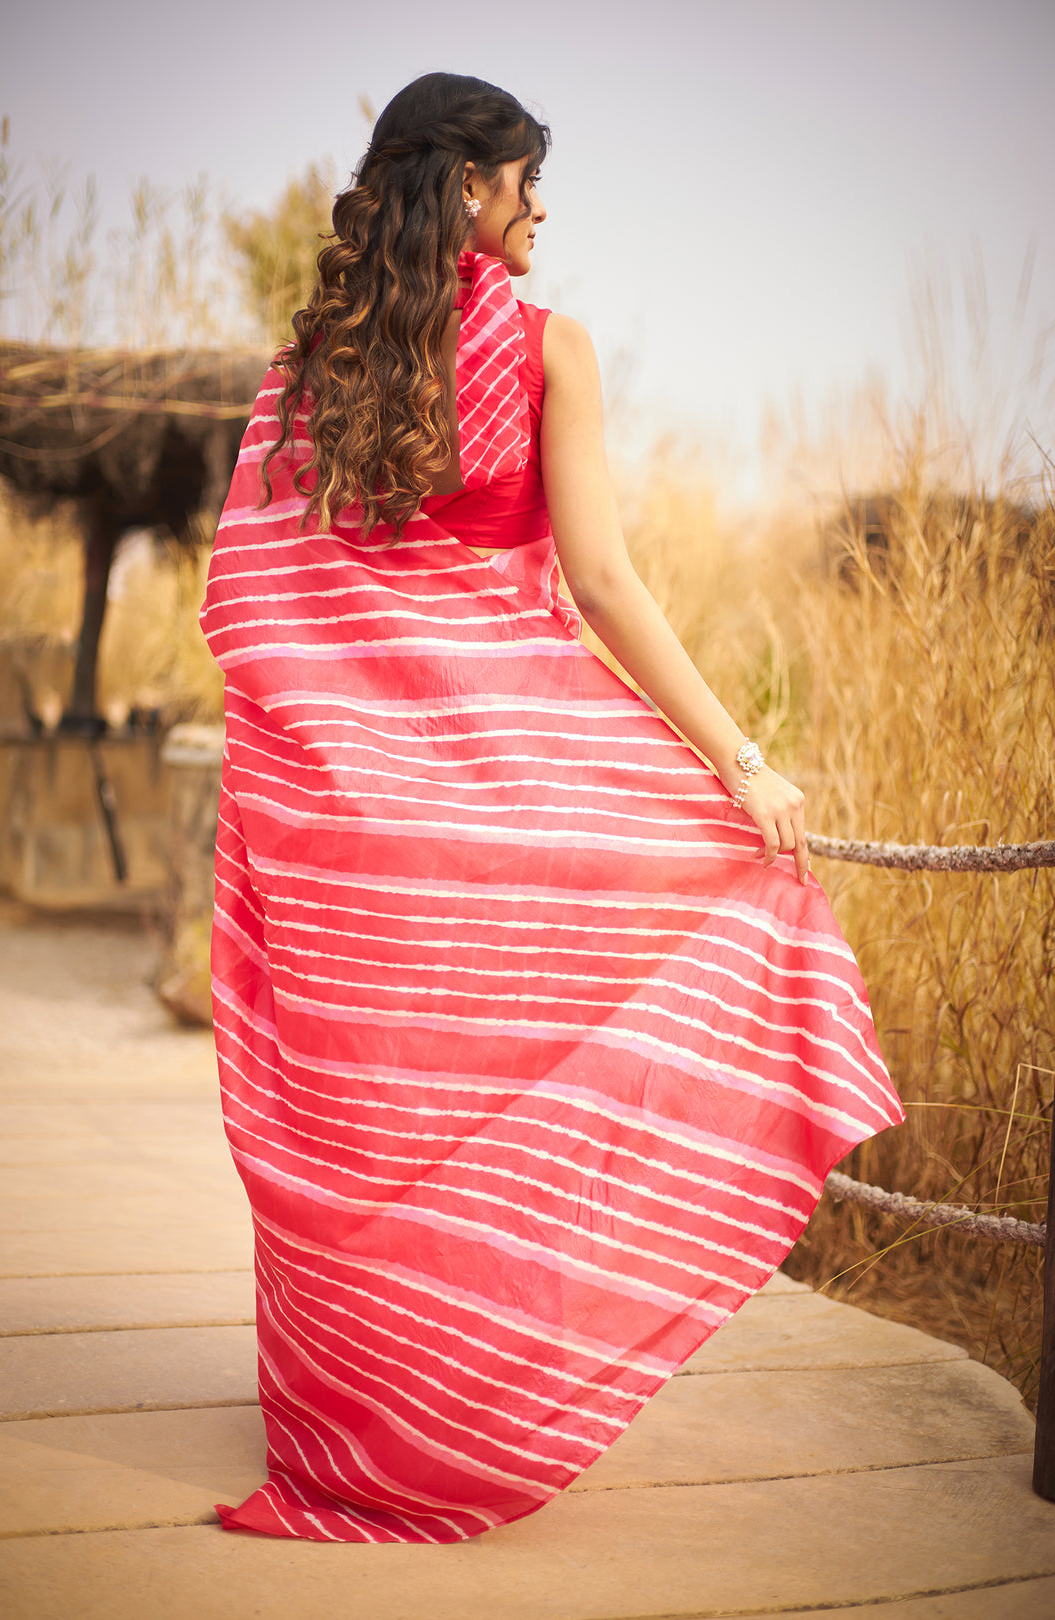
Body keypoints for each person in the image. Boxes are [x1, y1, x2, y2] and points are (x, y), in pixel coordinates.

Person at [200, 71, 904, 1544]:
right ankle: (463, 1406)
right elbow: (599, 585)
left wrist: (320, 776)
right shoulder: (552, 351)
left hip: (345, 831)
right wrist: (738, 763)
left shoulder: (310, 362)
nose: (540, 210)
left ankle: (353, 1420)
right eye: (527, 180)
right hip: (492, 803)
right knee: (486, 1093)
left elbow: (260, 597)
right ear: (471, 188)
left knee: (369, 1117)